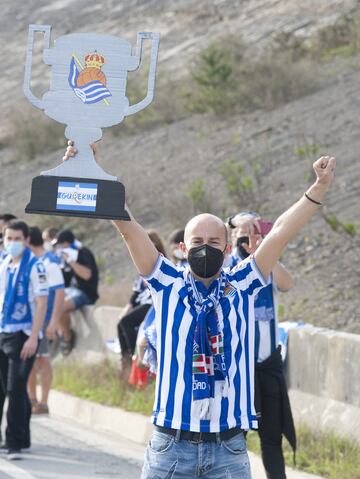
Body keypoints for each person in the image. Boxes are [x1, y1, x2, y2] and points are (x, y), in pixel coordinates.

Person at [64, 141, 335, 478]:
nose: (205, 250)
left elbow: (280, 232)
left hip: (229, 449)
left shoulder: (243, 283)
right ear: (182, 247)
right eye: (197, 243)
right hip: (171, 446)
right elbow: (126, 226)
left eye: (214, 244)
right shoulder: (166, 282)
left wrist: (318, 187)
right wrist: (94, 170)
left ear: (226, 251)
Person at [227, 212, 296, 479]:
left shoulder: (266, 267)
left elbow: (287, 284)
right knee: (233, 440)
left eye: (254, 234)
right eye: (242, 235)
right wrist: (238, 221)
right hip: (238, 370)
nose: (247, 240)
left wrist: (265, 252)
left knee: (271, 438)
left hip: (267, 366)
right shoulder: (227, 269)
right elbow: (227, 294)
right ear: (232, 238)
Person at [0, 220, 48, 460]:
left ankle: (14, 443)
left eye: (17, 239)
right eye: (9, 238)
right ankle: (19, 438)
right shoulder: (5, 263)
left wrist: (33, 337)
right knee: (2, 389)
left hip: (24, 334)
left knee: (16, 388)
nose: (13, 243)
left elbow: (42, 302)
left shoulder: (35, 266)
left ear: (27, 240)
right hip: (3, 329)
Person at [27, 227, 65, 415]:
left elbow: (59, 292)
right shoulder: (32, 261)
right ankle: (32, 399)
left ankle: (43, 402)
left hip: (43, 319)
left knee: (42, 360)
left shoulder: (50, 262)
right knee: (29, 360)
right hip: (30, 319)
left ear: (28, 241)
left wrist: (53, 321)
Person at [117, 229, 166, 373]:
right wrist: (129, 305)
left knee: (127, 322)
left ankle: (135, 359)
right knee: (121, 323)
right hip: (142, 301)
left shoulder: (162, 261)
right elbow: (136, 291)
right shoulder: (141, 262)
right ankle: (125, 359)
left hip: (153, 304)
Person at [53, 229, 99, 355]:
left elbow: (87, 275)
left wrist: (71, 261)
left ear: (67, 243)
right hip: (71, 290)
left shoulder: (82, 252)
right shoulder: (69, 255)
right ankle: (60, 333)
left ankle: (67, 336)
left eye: (61, 244)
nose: (60, 248)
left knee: (59, 307)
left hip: (85, 293)